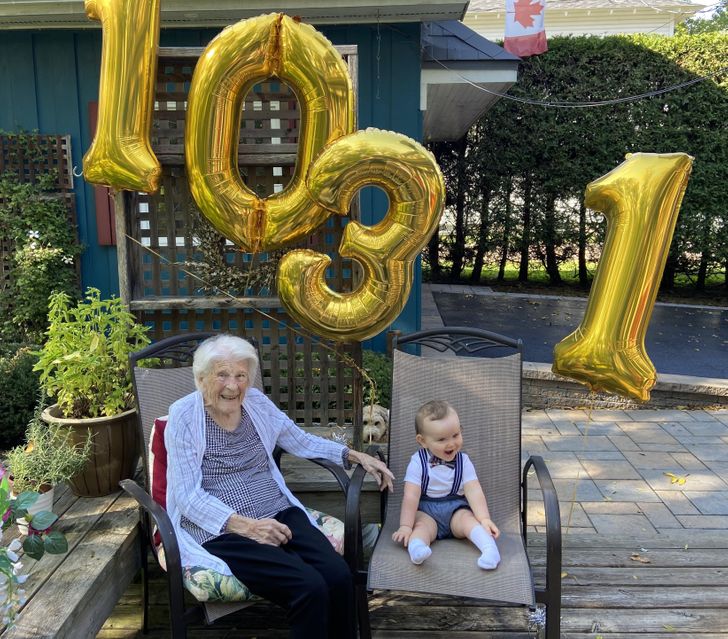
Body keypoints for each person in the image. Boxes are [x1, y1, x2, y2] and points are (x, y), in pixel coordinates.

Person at [164, 334, 394, 639]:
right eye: (222, 375)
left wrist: (353, 455)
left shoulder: (256, 403)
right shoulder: (183, 416)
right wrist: (249, 527)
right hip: (223, 529)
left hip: (277, 511)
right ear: (201, 378)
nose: (233, 386)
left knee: (339, 576)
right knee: (308, 587)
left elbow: (297, 438)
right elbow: (188, 496)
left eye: (241, 375)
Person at [391, 399, 500, 569]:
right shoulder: (417, 462)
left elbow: (474, 490)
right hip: (427, 511)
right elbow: (411, 496)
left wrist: (484, 518)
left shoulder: (463, 461)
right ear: (422, 441)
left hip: (455, 509)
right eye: (441, 439)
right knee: (420, 526)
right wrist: (405, 526)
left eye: (455, 435)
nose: (451, 443)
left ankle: (490, 549)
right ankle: (417, 548)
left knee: (468, 520)